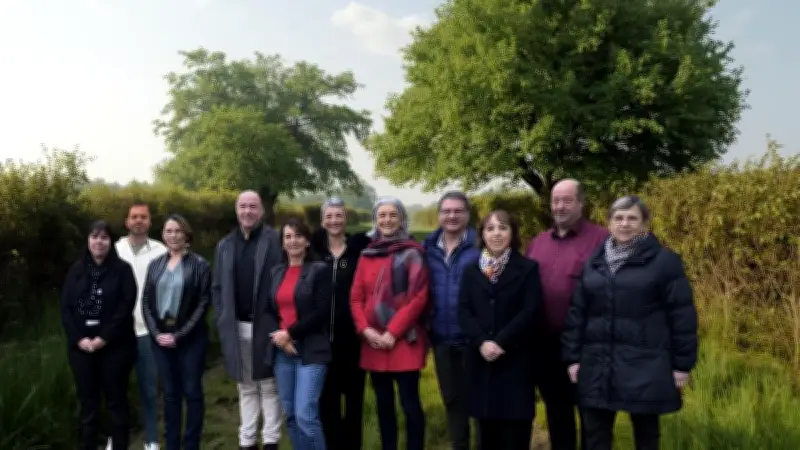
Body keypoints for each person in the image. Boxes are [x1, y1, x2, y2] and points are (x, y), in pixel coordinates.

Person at [562, 196, 699, 450]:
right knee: (594, 435)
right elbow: (577, 312)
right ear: (609, 223)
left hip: (645, 364)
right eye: (619, 218)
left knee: (646, 435)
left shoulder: (664, 262)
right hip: (597, 364)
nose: (625, 224)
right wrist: (572, 357)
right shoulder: (594, 262)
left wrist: (682, 364)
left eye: (632, 218)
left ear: (644, 223)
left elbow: (682, 316)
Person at [525, 179, 608, 450]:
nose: (560, 206)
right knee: (557, 411)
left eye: (567, 200)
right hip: (546, 344)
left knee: (591, 414)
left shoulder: (601, 240)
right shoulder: (538, 242)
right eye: (556, 200)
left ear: (581, 203)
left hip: (587, 343)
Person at [350, 196, 430, 450]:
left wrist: (393, 332)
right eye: (382, 215)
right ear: (375, 220)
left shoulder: (414, 253)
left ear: (402, 219)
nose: (387, 220)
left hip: (404, 341)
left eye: (393, 215)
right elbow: (356, 298)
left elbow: (419, 298)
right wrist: (365, 330)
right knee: (384, 406)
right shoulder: (366, 254)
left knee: (410, 405)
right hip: (373, 342)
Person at [458, 210, 542, 450]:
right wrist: (482, 342)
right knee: (487, 432)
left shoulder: (528, 269)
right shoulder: (471, 271)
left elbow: (530, 310)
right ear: (482, 234)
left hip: (515, 360)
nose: (496, 233)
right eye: (490, 228)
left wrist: (501, 341)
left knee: (515, 431)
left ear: (512, 233)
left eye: (503, 228)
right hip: (481, 360)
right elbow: (464, 310)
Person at [211, 190, 283, 450]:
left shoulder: (275, 240)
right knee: (246, 386)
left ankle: (271, 440)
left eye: (253, 206)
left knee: (269, 385)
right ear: (236, 210)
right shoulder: (224, 245)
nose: (247, 211)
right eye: (243, 206)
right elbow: (217, 287)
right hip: (236, 326)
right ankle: (247, 440)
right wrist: (222, 316)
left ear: (261, 210)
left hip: (268, 325)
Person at [61, 220, 138, 450]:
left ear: (111, 241)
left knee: (116, 402)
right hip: (81, 349)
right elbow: (66, 309)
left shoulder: (123, 270)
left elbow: (125, 308)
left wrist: (103, 338)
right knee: (88, 405)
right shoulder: (76, 271)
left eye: (104, 237)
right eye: (94, 236)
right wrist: (80, 339)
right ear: (88, 240)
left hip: (116, 347)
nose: (99, 242)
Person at [142, 215, 212, 450]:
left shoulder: (200, 265)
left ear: (186, 234)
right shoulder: (155, 264)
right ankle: (172, 444)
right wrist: (155, 333)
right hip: (161, 339)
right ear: (163, 234)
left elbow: (203, 304)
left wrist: (179, 335)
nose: (173, 235)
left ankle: (191, 444)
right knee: (170, 394)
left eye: (178, 231)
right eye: (168, 231)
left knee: (192, 391)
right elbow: (146, 302)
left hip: (191, 338)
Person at [265, 218, 332, 450]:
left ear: (307, 241)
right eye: (288, 236)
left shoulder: (319, 270)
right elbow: (268, 310)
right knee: (291, 415)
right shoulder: (276, 272)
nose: (293, 241)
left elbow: (321, 312)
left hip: (312, 350)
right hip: (283, 353)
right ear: (282, 243)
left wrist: (290, 333)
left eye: (298, 236)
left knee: (306, 415)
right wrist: (282, 339)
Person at [311, 197, 371, 450]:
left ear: (346, 219)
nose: (334, 220)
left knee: (354, 402)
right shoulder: (314, 250)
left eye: (339, 215)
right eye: (329, 216)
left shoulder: (359, 249)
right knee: (328, 403)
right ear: (322, 220)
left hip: (353, 341)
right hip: (322, 341)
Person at [423, 191, 481, 450]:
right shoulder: (427, 248)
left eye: (458, 211)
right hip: (442, 339)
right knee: (452, 400)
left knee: (478, 400)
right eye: (446, 211)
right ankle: (459, 445)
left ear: (467, 214)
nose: (452, 216)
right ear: (439, 215)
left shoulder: (480, 247)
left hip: (473, 339)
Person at [115, 202, 168, 450]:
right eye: (134, 216)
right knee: (116, 391)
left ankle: (151, 441)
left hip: (148, 331)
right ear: (126, 221)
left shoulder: (160, 251)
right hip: (118, 334)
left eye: (143, 217)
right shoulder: (115, 249)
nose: (138, 220)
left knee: (149, 390)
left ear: (149, 221)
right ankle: (116, 440)